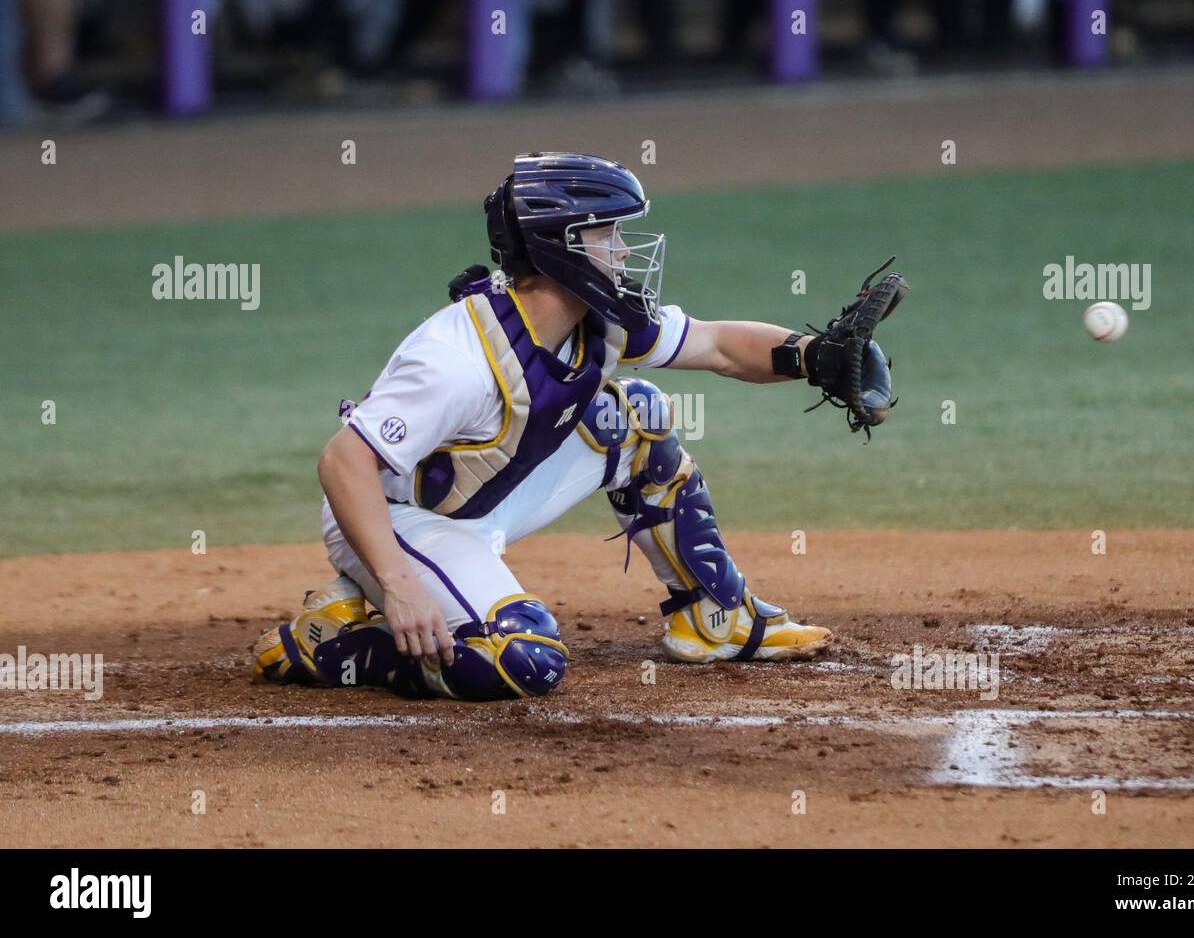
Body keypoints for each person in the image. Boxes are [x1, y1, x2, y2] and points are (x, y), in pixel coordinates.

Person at [252, 152, 879, 701]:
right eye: (608, 233)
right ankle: (339, 644)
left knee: (636, 413)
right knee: (524, 660)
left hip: (484, 499)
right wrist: (396, 583)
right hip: (397, 520)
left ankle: (715, 619)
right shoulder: (458, 358)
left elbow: (716, 346)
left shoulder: (600, 321)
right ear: (561, 247)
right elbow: (343, 461)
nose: (626, 250)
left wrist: (809, 355)